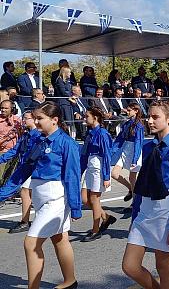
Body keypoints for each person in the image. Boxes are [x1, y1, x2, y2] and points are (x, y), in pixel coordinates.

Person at [0, 101, 81, 289]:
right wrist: (2, 194)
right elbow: (24, 169)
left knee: (31, 243)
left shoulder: (66, 143)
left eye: (40, 119)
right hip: (40, 197)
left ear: (55, 120)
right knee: (60, 238)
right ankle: (70, 281)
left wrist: (76, 207)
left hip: (57, 199)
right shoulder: (37, 140)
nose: (35, 122)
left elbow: (72, 176)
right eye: (34, 118)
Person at [122, 101, 169, 289]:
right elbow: (143, 183)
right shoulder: (148, 147)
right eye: (148, 116)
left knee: (163, 265)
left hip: (165, 211)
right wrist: (135, 213)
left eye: (155, 117)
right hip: (144, 209)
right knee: (130, 266)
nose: (149, 121)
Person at [79, 108, 116, 242]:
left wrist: (106, 176)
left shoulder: (102, 133)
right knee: (84, 198)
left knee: (94, 199)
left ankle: (95, 230)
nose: (85, 118)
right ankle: (105, 217)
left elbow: (106, 155)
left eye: (87, 116)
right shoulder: (90, 133)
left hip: (98, 167)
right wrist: (80, 171)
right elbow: (84, 153)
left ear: (95, 117)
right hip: (90, 166)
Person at [0, 111, 39, 233]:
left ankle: (29, 221)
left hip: (35, 170)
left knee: (28, 192)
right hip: (23, 169)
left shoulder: (38, 136)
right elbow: (14, 151)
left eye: (26, 118)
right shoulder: (25, 136)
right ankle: (26, 221)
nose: (23, 121)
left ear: (34, 120)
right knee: (7, 190)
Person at [110, 103, 145, 205]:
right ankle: (130, 189)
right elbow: (119, 139)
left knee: (132, 177)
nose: (127, 112)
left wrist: (135, 159)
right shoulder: (126, 124)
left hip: (135, 150)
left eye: (129, 110)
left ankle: (135, 201)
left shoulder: (139, 125)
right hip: (126, 149)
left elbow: (139, 142)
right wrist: (112, 151)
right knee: (114, 174)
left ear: (136, 111)